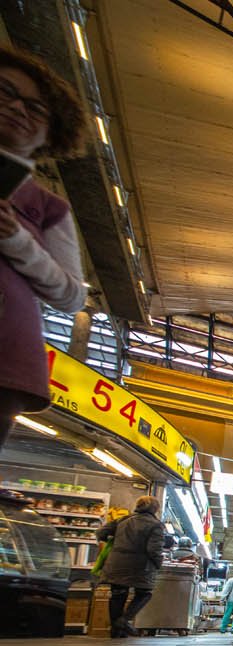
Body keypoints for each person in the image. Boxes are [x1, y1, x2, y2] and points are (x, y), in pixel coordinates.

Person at [0, 49, 87, 452]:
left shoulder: (48, 207)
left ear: (50, 134)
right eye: (5, 92)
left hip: (6, 360)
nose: (17, 108)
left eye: (35, 108)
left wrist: (15, 239)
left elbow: (72, 295)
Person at [94, 495, 166, 638]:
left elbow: (100, 532)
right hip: (139, 566)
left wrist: (114, 541)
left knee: (118, 595)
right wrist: (158, 563)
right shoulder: (155, 525)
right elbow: (153, 550)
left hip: (116, 563)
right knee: (144, 593)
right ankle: (124, 620)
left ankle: (115, 632)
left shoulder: (124, 519)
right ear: (155, 509)